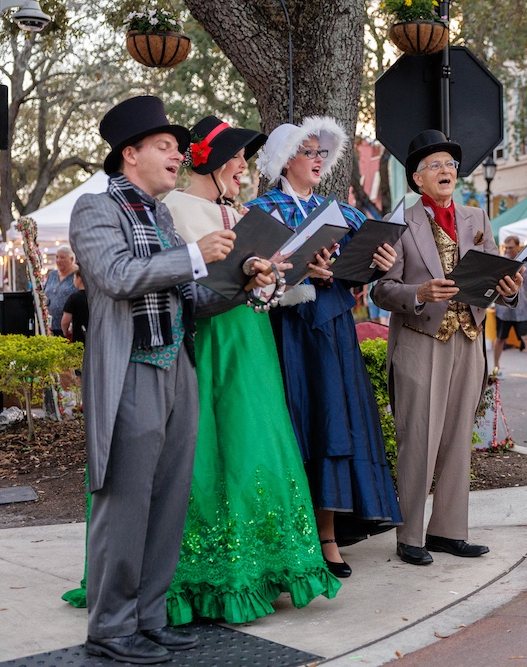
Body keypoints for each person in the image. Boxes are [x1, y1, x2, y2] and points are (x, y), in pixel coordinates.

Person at [69, 95, 275, 664]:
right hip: (131, 369)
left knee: (168, 505)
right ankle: (111, 629)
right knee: (126, 503)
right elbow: (114, 276)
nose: (177, 156)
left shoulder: (161, 216)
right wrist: (192, 256)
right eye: (165, 147)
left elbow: (192, 302)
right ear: (128, 155)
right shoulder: (95, 209)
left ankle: (149, 619)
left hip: (176, 369)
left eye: (178, 149)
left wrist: (244, 282)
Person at [163, 116, 341, 619]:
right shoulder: (176, 206)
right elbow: (191, 283)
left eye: (244, 157)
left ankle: (261, 565)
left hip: (251, 339)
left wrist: (290, 268)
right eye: (237, 157)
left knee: (258, 445)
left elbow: (261, 292)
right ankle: (213, 572)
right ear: (212, 161)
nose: (244, 166)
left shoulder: (238, 211)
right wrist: (246, 271)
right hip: (213, 341)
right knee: (217, 449)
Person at [247, 116, 403, 576]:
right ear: (284, 161)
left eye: (321, 153)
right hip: (286, 335)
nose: (318, 160)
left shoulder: (343, 212)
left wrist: (380, 261)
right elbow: (250, 279)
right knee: (296, 427)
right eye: (307, 152)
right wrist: (298, 273)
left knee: (333, 425)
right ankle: (294, 536)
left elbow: (356, 269)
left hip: (334, 332)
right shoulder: (264, 211)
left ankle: (329, 535)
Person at [370, 129, 521, 566]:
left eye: (450, 165)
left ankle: (448, 531)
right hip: (421, 341)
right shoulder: (401, 223)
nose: (446, 171)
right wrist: (420, 293)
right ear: (417, 179)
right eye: (435, 165)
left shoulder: (476, 219)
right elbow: (382, 290)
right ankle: (410, 535)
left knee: (458, 439)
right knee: (418, 437)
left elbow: (496, 279)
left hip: (468, 338)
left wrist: (508, 289)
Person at [493, 235, 527, 380]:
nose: (507, 250)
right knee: (500, 338)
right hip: (503, 310)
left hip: (522, 309)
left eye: (510, 247)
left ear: (518, 247)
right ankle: (496, 368)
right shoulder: (501, 262)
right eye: (506, 247)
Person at [44, 246, 79, 336]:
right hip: (50, 326)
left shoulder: (77, 275)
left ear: (71, 259)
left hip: (69, 328)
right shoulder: (52, 275)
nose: (58, 260)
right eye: (57, 257)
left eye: (62, 257)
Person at [61, 271, 88, 345]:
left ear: (79, 279)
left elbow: (65, 321)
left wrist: (65, 332)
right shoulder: (95, 297)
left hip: (79, 339)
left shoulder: (74, 297)